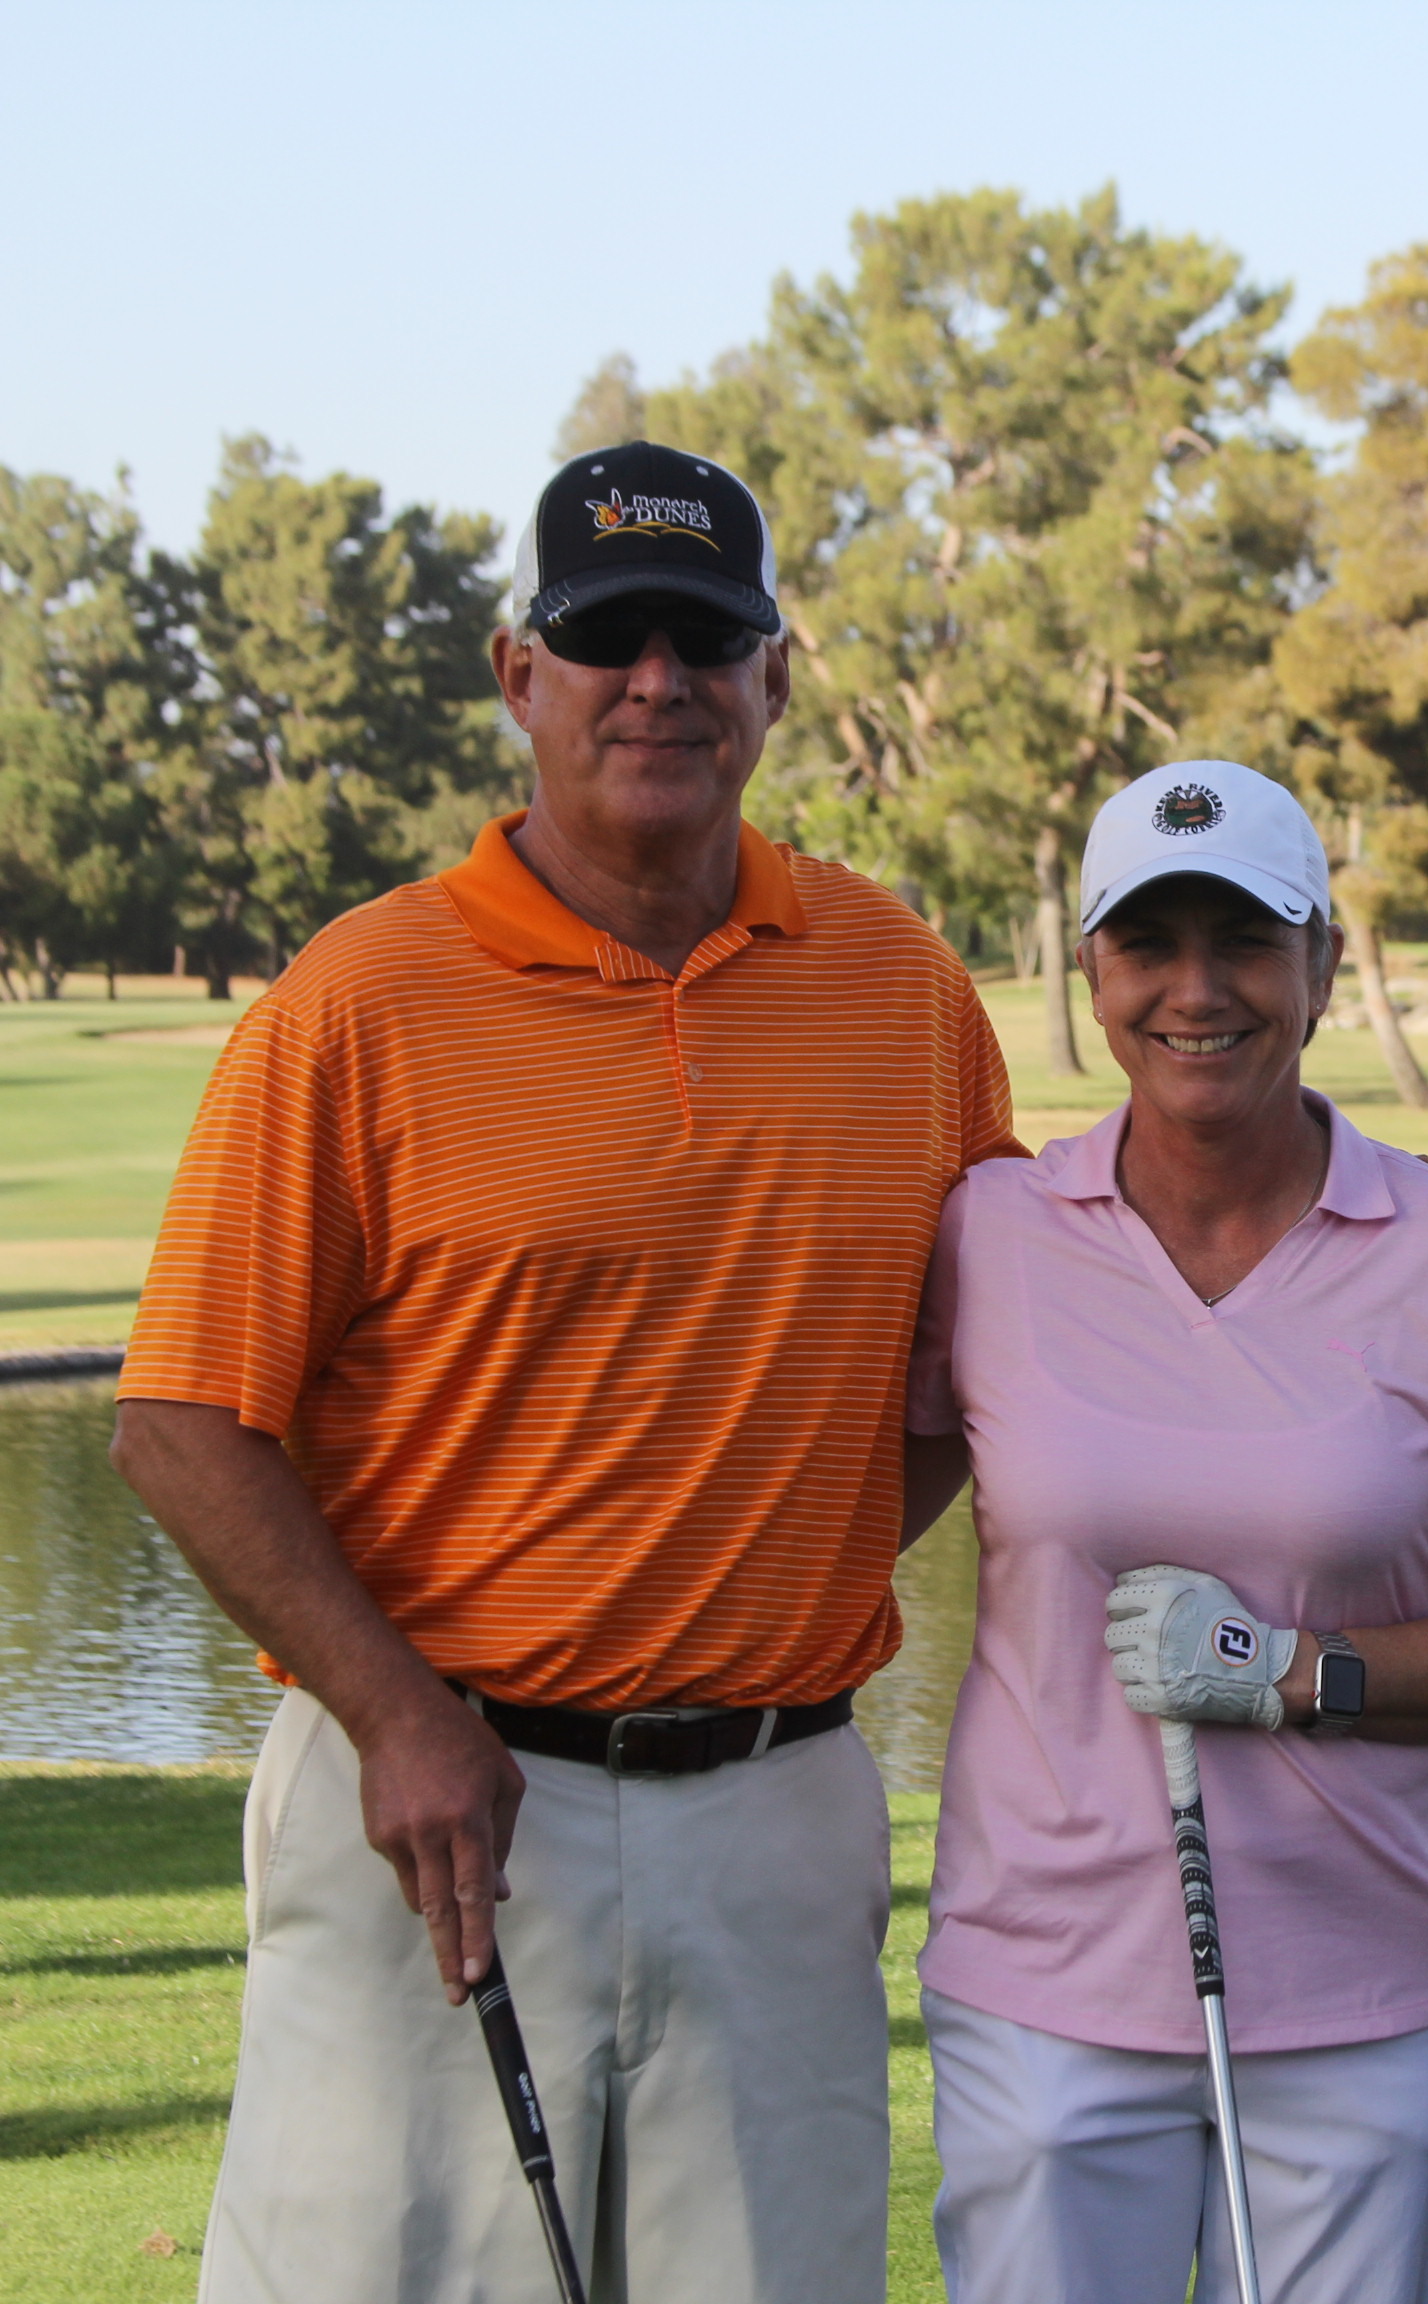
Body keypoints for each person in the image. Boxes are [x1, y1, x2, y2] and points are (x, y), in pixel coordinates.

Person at [109, 441, 1023, 2302]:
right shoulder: (359, 1000)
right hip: (435, 1805)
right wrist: (394, 1712)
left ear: (776, 677)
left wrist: (1380, 1230)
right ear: (522, 674)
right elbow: (183, 1417)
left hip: (776, 1811)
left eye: (707, 638)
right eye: (611, 638)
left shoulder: (902, 990)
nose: (659, 682)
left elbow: (1001, 1352)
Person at [904, 758, 1428, 2304]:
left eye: (1245, 941)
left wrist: (1295, 1671)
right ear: (1091, 973)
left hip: (1366, 1988)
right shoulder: (989, 1233)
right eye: (1149, 945)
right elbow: (832, 1499)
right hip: (1044, 1985)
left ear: (1324, 966)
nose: (1196, 990)